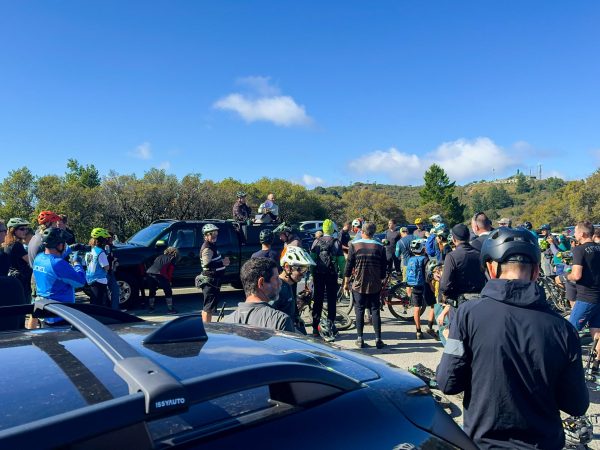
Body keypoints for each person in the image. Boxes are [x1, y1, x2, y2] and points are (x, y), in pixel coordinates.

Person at [436, 227, 589, 449]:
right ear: (537, 271)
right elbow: (576, 404)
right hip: (543, 443)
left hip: (483, 443)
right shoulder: (563, 329)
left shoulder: (468, 315)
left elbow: (447, 382)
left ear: (490, 268)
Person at [556, 221, 600, 372]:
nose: (574, 234)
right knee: (597, 332)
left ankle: (565, 364)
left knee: (570, 330)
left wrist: (562, 277)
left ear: (582, 233)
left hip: (586, 297)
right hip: (598, 297)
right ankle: (596, 364)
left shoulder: (579, 250)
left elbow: (576, 275)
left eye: (575, 232)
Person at [436, 224, 486, 339]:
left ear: (453, 239)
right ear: (469, 238)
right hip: (479, 301)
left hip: (459, 304)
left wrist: (444, 293)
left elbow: (445, 285)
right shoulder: (479, 255)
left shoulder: (452, 256)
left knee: (456, 339)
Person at [343, 221, 387, 349]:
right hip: (375, 284)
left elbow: (349, 265)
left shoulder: (354, 245)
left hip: (359, 283)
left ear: (362, 231)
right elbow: (384, 266)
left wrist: (346, 282)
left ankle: (360, 339)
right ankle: (378, 339)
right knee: (375, 310)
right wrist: (382, 280)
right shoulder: (380, 246)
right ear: (373, 233)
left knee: (359, 310)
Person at [33, 227, 86, 327]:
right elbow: (81, 282)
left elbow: (52, 258)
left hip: (45, 310)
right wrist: (77, 263)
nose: (65, 245)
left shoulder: (39, 257)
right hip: (61, 315)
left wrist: (70, 249)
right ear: (59, 245)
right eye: (64, 243)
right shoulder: (58, 264)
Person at [227, 257, 295, 332]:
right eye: (276, 278)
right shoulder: (280, 320)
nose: (280, 282)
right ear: (261, 283)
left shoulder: (227, 322)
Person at [310, 219, 345, 339]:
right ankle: (330, 326)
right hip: (331, 274)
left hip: (319, 274)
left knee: (318, 300)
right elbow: (341, 261)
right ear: (332, 229)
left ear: (323, 229)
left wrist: (312, 274)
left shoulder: (316, 241)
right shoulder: (336, 242)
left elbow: (312, 260)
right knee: (331, 301)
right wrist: (343, 275)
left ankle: (315, 328)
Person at [279, 245, 316, 333]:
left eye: (306, 270)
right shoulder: (277, 288)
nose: (303, 274)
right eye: (301, 269)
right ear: (287, 267)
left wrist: (296, 316)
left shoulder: (291, 284)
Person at [199, 223, 230, 323]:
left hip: (213, 280)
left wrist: (222, 263)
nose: (215, 236)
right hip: (210, 281)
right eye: (212, 234)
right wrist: (222, 262)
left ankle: (206, 326)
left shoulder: (212, 245)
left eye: (216, 233)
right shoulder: (207, 248)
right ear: (206, 235)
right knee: (208, 307)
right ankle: (207, 328)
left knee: (208, 306)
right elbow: (206, 264)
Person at [2, 218, 34, 302]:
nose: (25, 231)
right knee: (24, 307)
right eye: (22, 229)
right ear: (13, 230)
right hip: (22, 281)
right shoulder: (16, 245)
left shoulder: (7, 244)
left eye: (26, 229)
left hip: (14, 279)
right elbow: (31, 261)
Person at [405, 239, 432, 339]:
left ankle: (418, 331)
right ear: (422, 249)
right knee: (432, 305)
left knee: (417, 308)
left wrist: (408, 287)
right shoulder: (425, 259)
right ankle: (430, 326)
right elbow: (429, 275)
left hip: (414, 285)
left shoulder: (410, 259)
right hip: (424, 285)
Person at [146, 246, 179, 314]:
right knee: (168, 291)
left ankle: (151, 308)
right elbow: (170, 271)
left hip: (149, 273)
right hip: (160, 274)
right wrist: (169, 281)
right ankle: (170, 309)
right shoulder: (172, 258)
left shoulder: (159, 256)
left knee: (152, 291)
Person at [85, 228, 111, 307]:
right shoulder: (100, 252)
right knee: (101, 305)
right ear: (101, 240)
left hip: (90, 279)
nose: (106, 241)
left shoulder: (89, 251)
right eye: (105, 239)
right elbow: (106, 267)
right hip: (100, 280)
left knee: (93, 302)